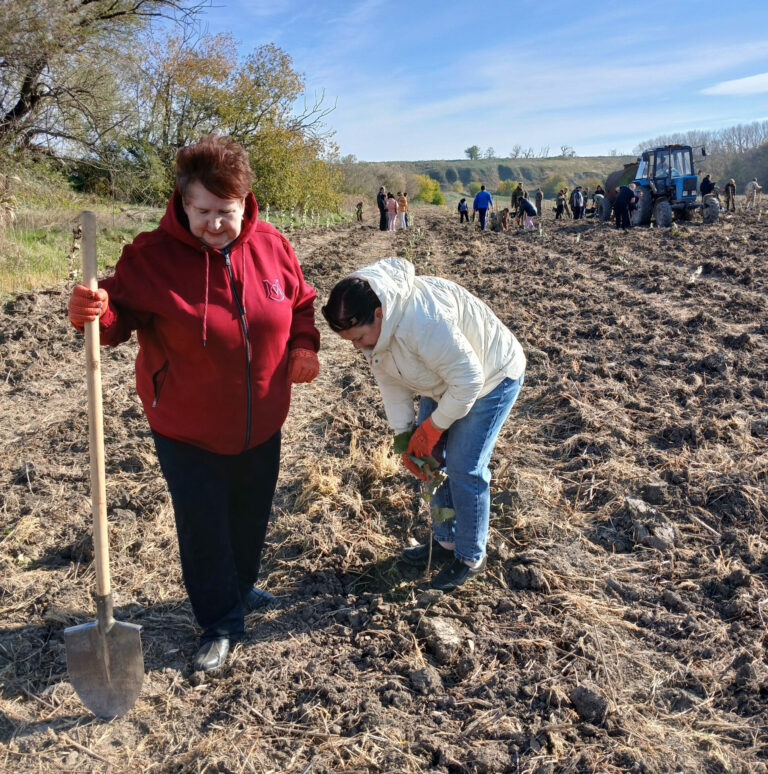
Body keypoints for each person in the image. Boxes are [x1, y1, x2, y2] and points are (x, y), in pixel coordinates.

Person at [66, 134, 321, 673]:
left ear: (246, 203)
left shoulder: (273, 244)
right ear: (182, 202)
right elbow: (114, 323)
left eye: (225, 212)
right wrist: (95, 310)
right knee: (205, 525)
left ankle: (244, 587)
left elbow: (300, 303)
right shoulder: (150, 257)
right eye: (202, 210)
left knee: (250, 515)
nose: (214, 223)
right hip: (186, 426)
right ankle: (219, 622)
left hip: (262, 420)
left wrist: (303, 345)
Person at [321, 258, 525, 590]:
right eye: (350, 341)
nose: (357, 346)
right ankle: (445, 543)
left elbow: (469, 380)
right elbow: (391, 383)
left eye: (358, 337)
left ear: (378, 314)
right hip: (443, 380)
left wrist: (432, 428)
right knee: (428, 459)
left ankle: (471, 557)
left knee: (464, 466)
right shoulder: (375, 334)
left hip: (490, 376)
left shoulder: (422, 321)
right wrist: (405, 438)